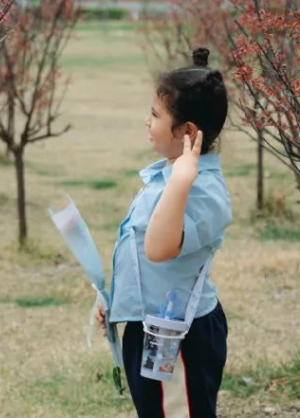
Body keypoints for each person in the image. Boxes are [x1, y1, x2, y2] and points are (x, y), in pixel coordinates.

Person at [97, 47, 232, 417]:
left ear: (187, 131)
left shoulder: (203, 192)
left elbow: (158, 248)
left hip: (181, 338)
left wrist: (182, 180)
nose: (147, 121)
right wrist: (117, 301)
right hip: (149, 328)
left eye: (156, 115)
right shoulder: (166, 175)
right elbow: (140, 254)